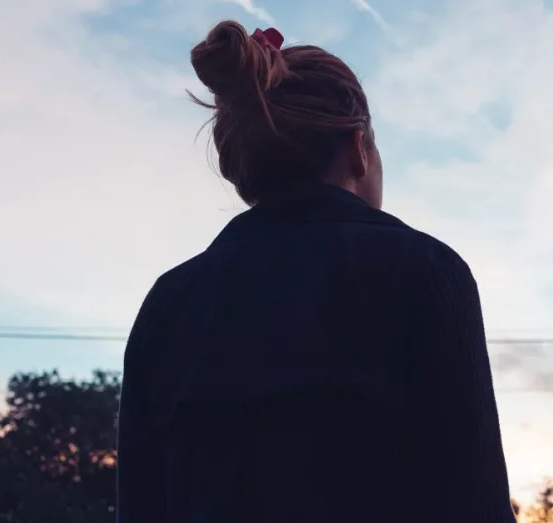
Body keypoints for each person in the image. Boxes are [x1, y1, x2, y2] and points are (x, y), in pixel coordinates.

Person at [116, 20, 514, 523]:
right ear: (358, 147)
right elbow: (472, 502)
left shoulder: (168, 303)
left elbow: (140, 505)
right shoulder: (423, 271)